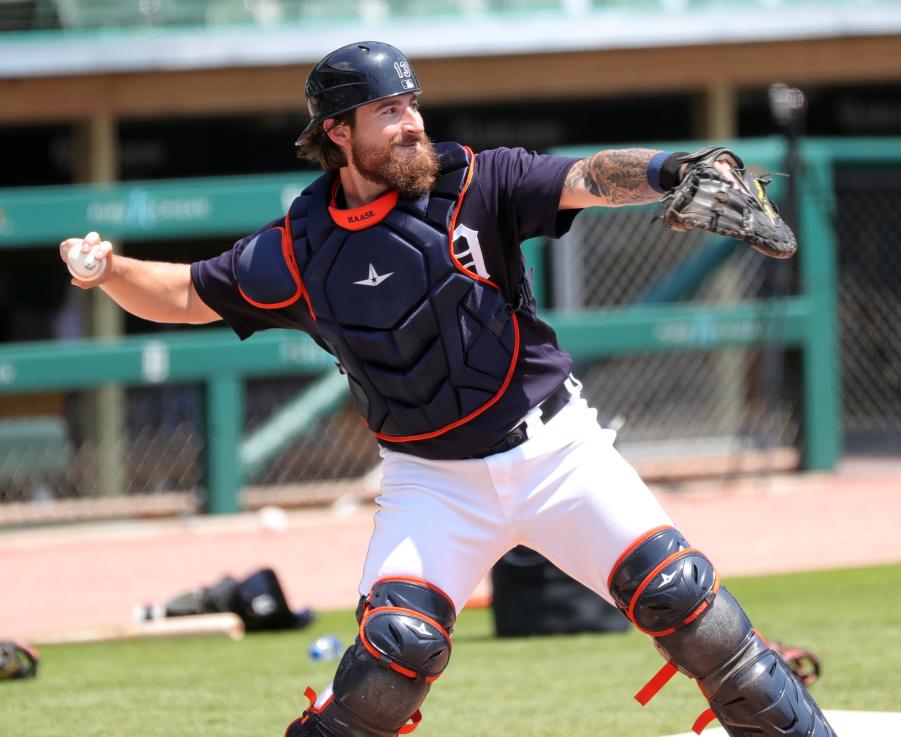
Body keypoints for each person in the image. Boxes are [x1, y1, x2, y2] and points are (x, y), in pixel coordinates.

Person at [60, 41, 837, 737]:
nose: (411, 123)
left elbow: (584, 177)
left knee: (684, 600)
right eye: (388, 110)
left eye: (412, 105)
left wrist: (676, 168)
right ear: (338, 131)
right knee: (389, 660)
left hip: (556, 452)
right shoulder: (300, 245)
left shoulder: (478, 182)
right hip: (430, 483)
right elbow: (189, 293)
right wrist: (108, 272)